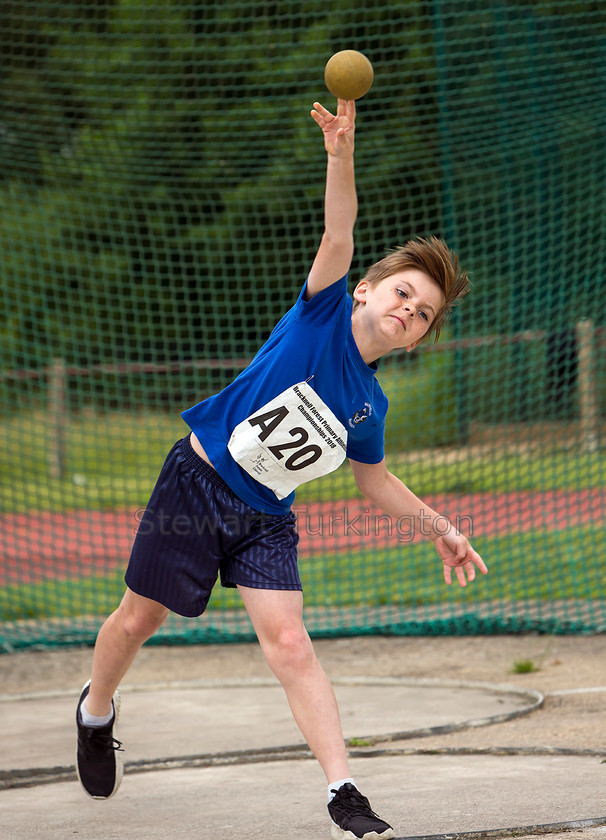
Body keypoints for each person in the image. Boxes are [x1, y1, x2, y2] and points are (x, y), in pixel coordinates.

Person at [75, 99, 487, 840]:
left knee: (290, 643)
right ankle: (95, 710)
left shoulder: (370, 406)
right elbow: (340, 227)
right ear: (366, 288)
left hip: (265, 516)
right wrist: (340, 151)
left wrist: (442, 528)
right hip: (195, 489)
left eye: (423, 313)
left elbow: (375, 481)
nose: (409, 310)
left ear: (420, 339)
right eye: (402, 291)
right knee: (140, 619)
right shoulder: (321, 311)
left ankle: (344, 793)